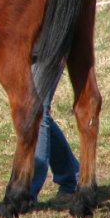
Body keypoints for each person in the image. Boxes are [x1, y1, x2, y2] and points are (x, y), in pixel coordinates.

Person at [29, 64, 80, 209]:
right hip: (25, 50)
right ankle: (72, 179)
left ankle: (27, 192)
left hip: (46, 49)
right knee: (35, 111)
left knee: (35, 111)